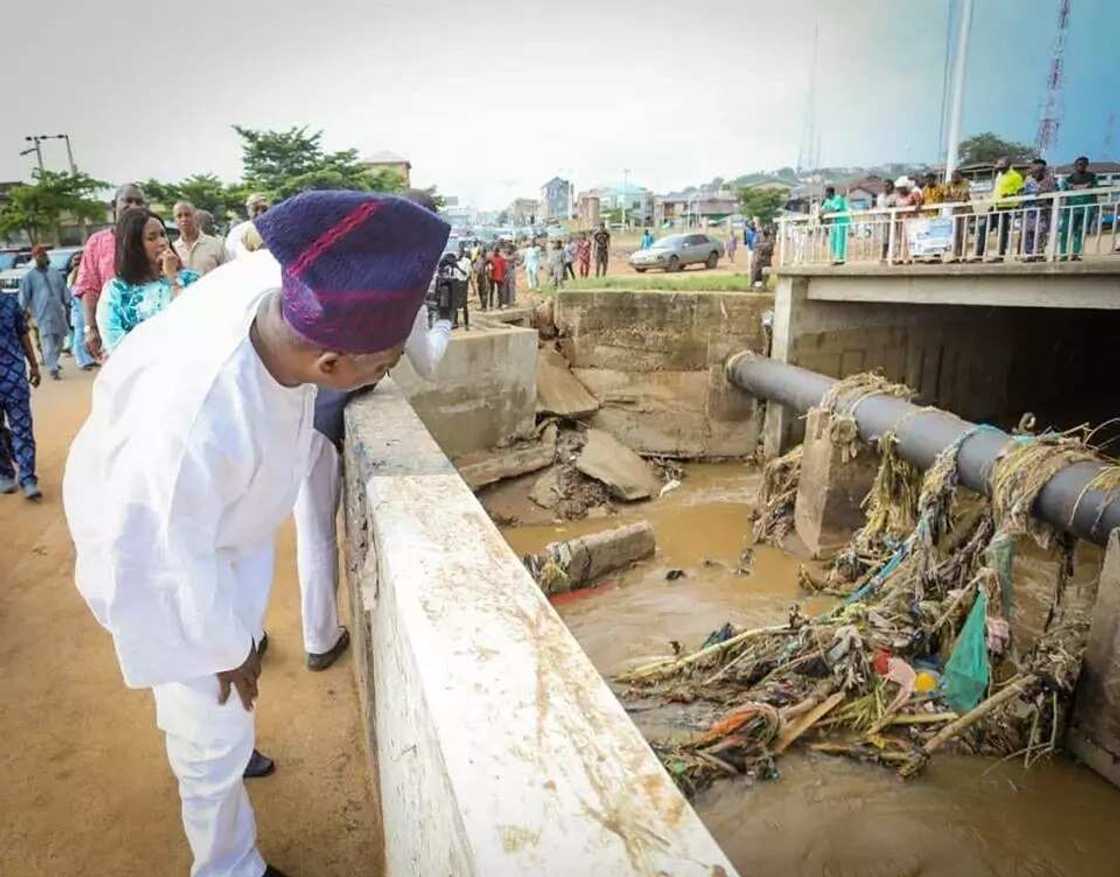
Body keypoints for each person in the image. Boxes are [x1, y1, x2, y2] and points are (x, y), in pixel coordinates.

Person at [64, 190, 449, 877]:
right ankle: (228, 862)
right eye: (378, 367)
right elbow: (155, 562)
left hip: (226, 522)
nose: (383, 374)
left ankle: (232, 740)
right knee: (208, 711)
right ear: (329, 367)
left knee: (236, 645)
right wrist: (220, 648)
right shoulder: (193, 428)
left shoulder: (281, 290)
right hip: (155, 543)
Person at [96, 209, 200, 354]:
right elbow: (114, 344)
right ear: (134, 246)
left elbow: (196, 322)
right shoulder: (116, 291)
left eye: (163, 235)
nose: (163, 242)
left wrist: (172, 279)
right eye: (152, 238)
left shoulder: (190, 279)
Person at [74, 182, 147, 361]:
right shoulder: (97, 243)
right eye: (127, 201)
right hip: (112, 334)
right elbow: (89, 287)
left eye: (139, 202)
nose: (134, 207)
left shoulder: (153, 238)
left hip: (150, 331)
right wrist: (90, 329)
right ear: (114, 206)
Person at [0, 278, 42, 499]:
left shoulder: (9, 303)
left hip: (14, 378)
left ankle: (28, 478)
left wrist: (34, 366)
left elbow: (24, 334)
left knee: (23, 428)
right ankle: (5, 473)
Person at [18, 244, 71, 380]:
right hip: (42, 314)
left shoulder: (55, 273)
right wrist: (22, 312)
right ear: (35, 258)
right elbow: (24, 296)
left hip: (58, 312)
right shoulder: (29, 277)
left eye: (43, 255)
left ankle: (52, 360)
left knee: (60, 340)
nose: (42, 258)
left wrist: (68, 302)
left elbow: (63, 290)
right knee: (47, 340)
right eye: (39, 256)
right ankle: (53, 368)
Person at [982, 157, 1024, 260]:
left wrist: (1010, 195)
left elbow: (1021, 191)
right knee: (983, 229)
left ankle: (1000, 255)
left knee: (1002, 232)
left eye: (1001, 164)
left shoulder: (1015, 176)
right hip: (995, 205)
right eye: (998, 164)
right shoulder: (999, 175)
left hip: (1006, 206)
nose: (998, 166)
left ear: (1008, 165)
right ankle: (978, 254)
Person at [1058, 155, 1098, 260]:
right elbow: (1062, 192)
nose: (1081, 166)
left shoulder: (1092, 177)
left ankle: (1075, 253)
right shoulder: (1068, 179)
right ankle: (1063, 254)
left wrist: (1094, 208)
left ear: (1087, 165)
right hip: (1070, 209)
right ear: (1075, 165)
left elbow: (1095, 192)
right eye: (1079, 164)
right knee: (1066, 232)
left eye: (1083, 164)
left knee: (1080, 232)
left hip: (1086, 209)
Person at [173, 201, 229, 275]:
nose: (184, 219)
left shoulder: (216, 245)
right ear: (175, 220)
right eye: (179, 216)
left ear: (195, 217)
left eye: (187, 215)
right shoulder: (173, 249)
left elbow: (229, 272)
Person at [1022, 158, 1057, 260]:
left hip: (1043, 212)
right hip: (1029, 211)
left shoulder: (1049, 180)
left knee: (1041, 233)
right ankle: (1029, 255)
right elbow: (1024, 192)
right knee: (1028, 233)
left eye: (1036, 172)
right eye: (1032, 171)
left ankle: (1039, 253)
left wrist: (1044, 193)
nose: (1034, 174)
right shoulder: (1028, 180)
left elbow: (1053, 194)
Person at [66, 252, 96, 370]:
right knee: (79, 337)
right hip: (78, 313)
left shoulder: (80, 276)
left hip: (83, 313)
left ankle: (88, 359)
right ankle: (81, 361)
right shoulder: (73, 277)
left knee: (84, 337)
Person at [226, 193, 271, 261]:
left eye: (264, 209)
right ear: (248, 210)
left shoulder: (278, 227)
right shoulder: (238, 231)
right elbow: (231, 254)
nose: (260, 212)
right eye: (255, 209)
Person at [943, 169, 972, 261]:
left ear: (961, 176)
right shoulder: (948, 184)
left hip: (965, 211)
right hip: (955, 211)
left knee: (963, 233)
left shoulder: (965, 182)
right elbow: (946, 199)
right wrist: (955, 200)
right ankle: (955, 255)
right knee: (955, 233)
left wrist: (954, 200)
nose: (953, 178)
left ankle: (963, 255)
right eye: (952, 176)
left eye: (956, 176)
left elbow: (964, 197)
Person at [820, 186, 850, 265]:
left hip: (841, 222)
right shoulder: (827, 200)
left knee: (840, 240)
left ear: (830, 193)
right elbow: (822, 209)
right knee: (833, 240)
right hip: (834, 223)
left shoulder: (838, 198)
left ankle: (840, 258)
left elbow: (835, 210)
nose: (825, 195)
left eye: (826, 193)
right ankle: (836, 257)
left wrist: (825, 212)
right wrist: (821, 213)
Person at [876, 179, 897, 260]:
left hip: (892, 220)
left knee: (893, 239)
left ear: (892, 186)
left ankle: (894, 257)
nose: (886, 187)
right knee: (884, 240)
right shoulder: (880, 196)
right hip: (882, 220)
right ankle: (883, 256)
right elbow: (879, 207)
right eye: (884, 186)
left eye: (887, 185)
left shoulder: (895, 196)